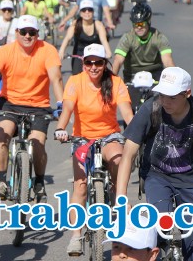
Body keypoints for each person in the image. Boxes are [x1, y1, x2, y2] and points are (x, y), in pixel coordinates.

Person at [116, 67, 193, 261]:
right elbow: (128, 154)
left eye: (172, 97)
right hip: (157, 177)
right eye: (162, 95)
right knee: (159, 232)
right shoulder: (150, 109)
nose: (165, 101)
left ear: (187, 93)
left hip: (191, 180)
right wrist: (121, 196)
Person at [54, 44, 133, 256]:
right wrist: (61, 128)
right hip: (82, 138)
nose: (94, 67)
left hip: (109, 136)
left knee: (118, 160)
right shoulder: (75, 81)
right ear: (84, 64)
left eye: (98, 62)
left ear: (104, 64)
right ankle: (75, 236)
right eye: (89, 62)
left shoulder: (116, 82)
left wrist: (137, 133)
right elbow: (68, 108)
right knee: (80, 186)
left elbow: (127, 113)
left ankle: (119, 203)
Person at [0, 15, 64, 201]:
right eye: (23, 32)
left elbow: (56, 78)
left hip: (39, 106)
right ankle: (1, 181)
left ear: (37, 34)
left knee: (38, 143)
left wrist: (60, 104)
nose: (27, 36)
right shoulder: (5, 51)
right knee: (3, 136)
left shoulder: (48, 50)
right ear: (16, 33)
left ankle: (39, 181)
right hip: (10, 104)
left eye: (31, 32)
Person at [112, 4, 175, 109]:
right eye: (136, 24)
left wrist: (174, 79)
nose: (139, 27)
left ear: (148, 22)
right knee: (129, 106)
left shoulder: (159, 37)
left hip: (155, 76)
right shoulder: (127, 38)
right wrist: (110, 79)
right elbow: (118, 60)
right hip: (132, 76)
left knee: (159, 107)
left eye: (142, 23)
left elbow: (167, 61)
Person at [58, 0, 111, 75]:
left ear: (93, 12)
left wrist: (108, 52)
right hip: (79, 54)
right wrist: (61, 52)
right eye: (84, 10)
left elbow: (104, 40)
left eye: (89, 10)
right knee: (76, 76)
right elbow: (67, 38)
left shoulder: (98, 25)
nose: (87, 12)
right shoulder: (76, 24)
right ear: (80, 13)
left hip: (94, 54)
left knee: (100, 75)